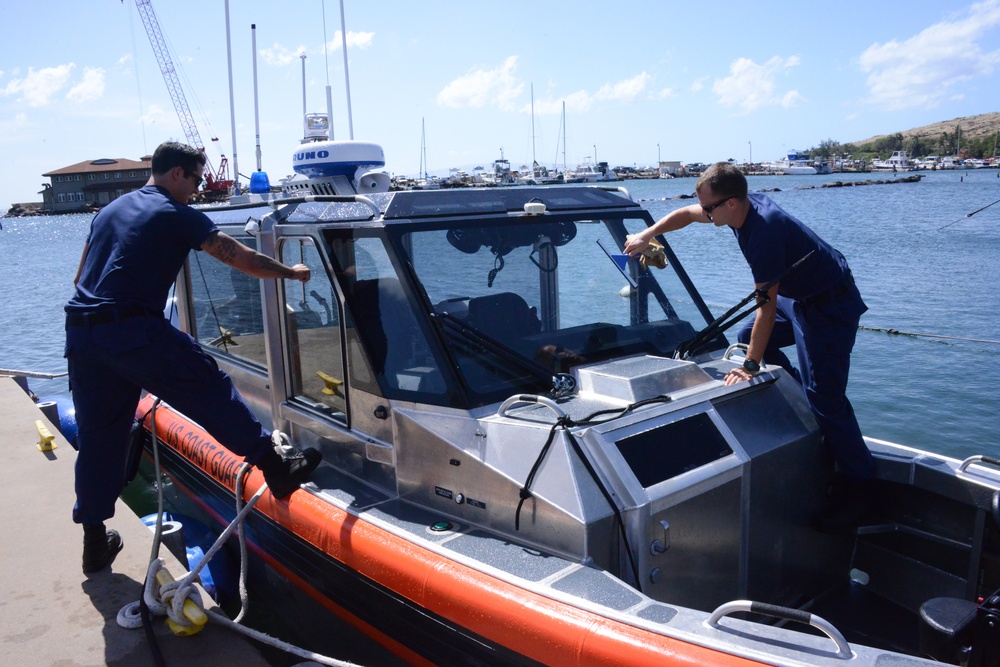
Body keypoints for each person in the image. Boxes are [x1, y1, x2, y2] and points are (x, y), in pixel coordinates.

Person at [65, 141, 322, 574]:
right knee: (207, 385)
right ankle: (276, 467)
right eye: (197, 180)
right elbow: (240, 257)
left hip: (83, 334)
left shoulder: (107, 212)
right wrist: (290, 272)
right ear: (178, 174)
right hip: (132, 329)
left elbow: (80, 276)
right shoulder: (174, 213)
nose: (198, 190)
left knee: (100, 437)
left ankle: (94, 539)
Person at [624, 162, 875, 531]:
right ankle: (804, 401)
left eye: (710, 208)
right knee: (746, 336)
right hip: (801, 297)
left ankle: (862, 488)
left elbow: (767, 312)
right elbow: (686, 215)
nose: (705, 214)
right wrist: (649, 232)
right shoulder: (736, 207)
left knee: (827, 398)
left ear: (731, 204)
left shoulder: (764, 235)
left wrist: (751, 366)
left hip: (827, 307)